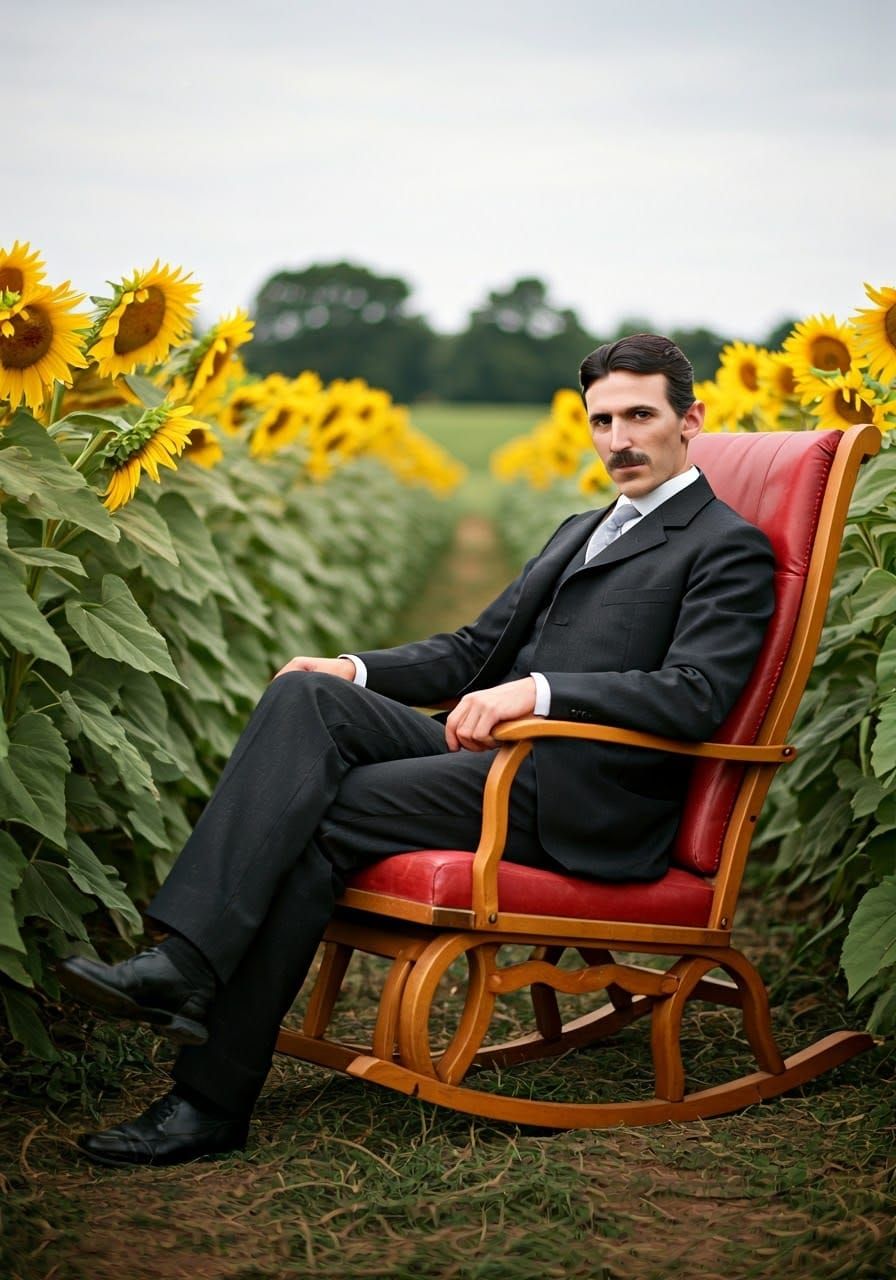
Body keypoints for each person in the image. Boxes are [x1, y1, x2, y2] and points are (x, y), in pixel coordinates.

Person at [58, 334, 776, 1166]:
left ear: (691, 420)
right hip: (502, 762)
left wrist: (536, 692)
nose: (618, 439)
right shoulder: (583, 528)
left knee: (315, 818)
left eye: (640, 416)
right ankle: (184, 968)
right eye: (602, 420)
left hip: (583, 794)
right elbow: (473, 648)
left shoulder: (725, 545)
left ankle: (204, 1081)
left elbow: (696, 692)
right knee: (307, 694)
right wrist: (353, 668)